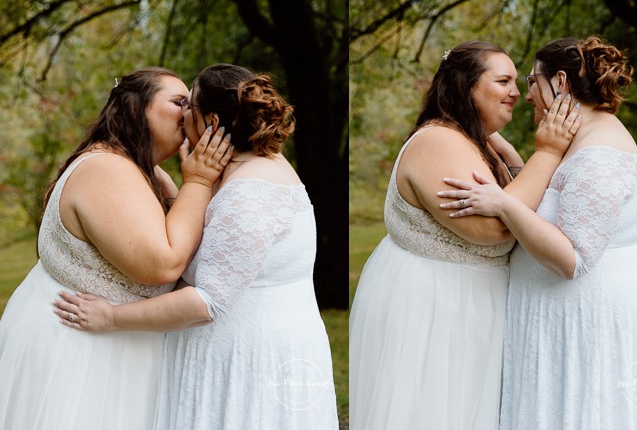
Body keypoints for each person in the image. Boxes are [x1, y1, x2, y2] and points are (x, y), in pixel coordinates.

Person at [53, 63, 339, 429]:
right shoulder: (247, 166)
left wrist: (110, 317)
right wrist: (182, 184)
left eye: (190, 107)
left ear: (212, 124)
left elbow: (206, 301)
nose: (182, 113)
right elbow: (207, 239)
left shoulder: (249, 193)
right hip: (238, 351)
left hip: (249, 363)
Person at [440, 37, 637, 429]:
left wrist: (502, 204)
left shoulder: (599, 152)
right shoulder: (580, 138)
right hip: (561, 328)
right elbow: (553, 202)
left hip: (587, 334)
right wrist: (515, 160)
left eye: (533, 80)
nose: (527, 94)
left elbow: (573, 258)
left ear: (561, 82)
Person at [349, 41, 581, 429]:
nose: (516, 93)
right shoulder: (438, 142)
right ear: (465, 86)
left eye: (517, 81)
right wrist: (548, 152)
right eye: (503, 80)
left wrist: (511, 159)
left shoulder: (471, 140)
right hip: (433, 309)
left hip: (468, 305)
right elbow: (492, 227)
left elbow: (509, 202)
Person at [0, 67, 233, 430]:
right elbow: (164, 264)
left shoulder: (146, 173)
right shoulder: (108, 169)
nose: (190, 114)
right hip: (77, 348)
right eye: (178, 102)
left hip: (118, 347)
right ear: (138, 108)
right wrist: (200, 180)